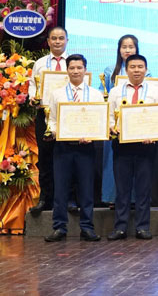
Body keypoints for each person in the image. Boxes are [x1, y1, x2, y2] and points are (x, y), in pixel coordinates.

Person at [43, 54, 104, 242]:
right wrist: (55, 132)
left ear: (85, 70)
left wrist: (92, 134)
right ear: (67, 70)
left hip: (86, 148)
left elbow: (99, 120)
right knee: (60, 189)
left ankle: (87, 228)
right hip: (63, 147)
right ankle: (59, 228)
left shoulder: (95, 94)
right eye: (72, 68)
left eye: (79, 68)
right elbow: (51, 120)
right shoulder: (57, 94)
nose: (76, 71)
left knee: (86, 189)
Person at [107, 54, 158, 240]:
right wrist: (112, 127)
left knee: (143, 188)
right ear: (126, 69)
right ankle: (120, 228)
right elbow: (109, 117)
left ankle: (142, 227)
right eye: (133, 67)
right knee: (122, 189)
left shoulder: (154, 91)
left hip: (146, 146)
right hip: (121, 145)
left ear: (146, 69)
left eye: (140, 67)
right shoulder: (116, 91)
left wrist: (154, 134)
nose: (137, 70)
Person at [99, 34, 146, 209]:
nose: (127, 50)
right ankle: (113, 198)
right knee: (114, 163)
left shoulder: (145, 70)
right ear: (119, 50)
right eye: (124, 47)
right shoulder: (111, 70)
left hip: (138, 125)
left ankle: (135, 200)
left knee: (138, 164)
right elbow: (102, 94)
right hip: (116, 126)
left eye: (131, 47)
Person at [28, 26, 70, 214]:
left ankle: (70, 199)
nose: (57, 41)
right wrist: (33, 98)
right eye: (54, 38)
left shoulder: (73, 62)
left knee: (70, 157)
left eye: (61, 38)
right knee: (45, 158)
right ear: (48, 41)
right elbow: (32, 85)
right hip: (44, 114)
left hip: (69, 115)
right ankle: (46, 198)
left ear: (67, 40)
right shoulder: (41, 63)